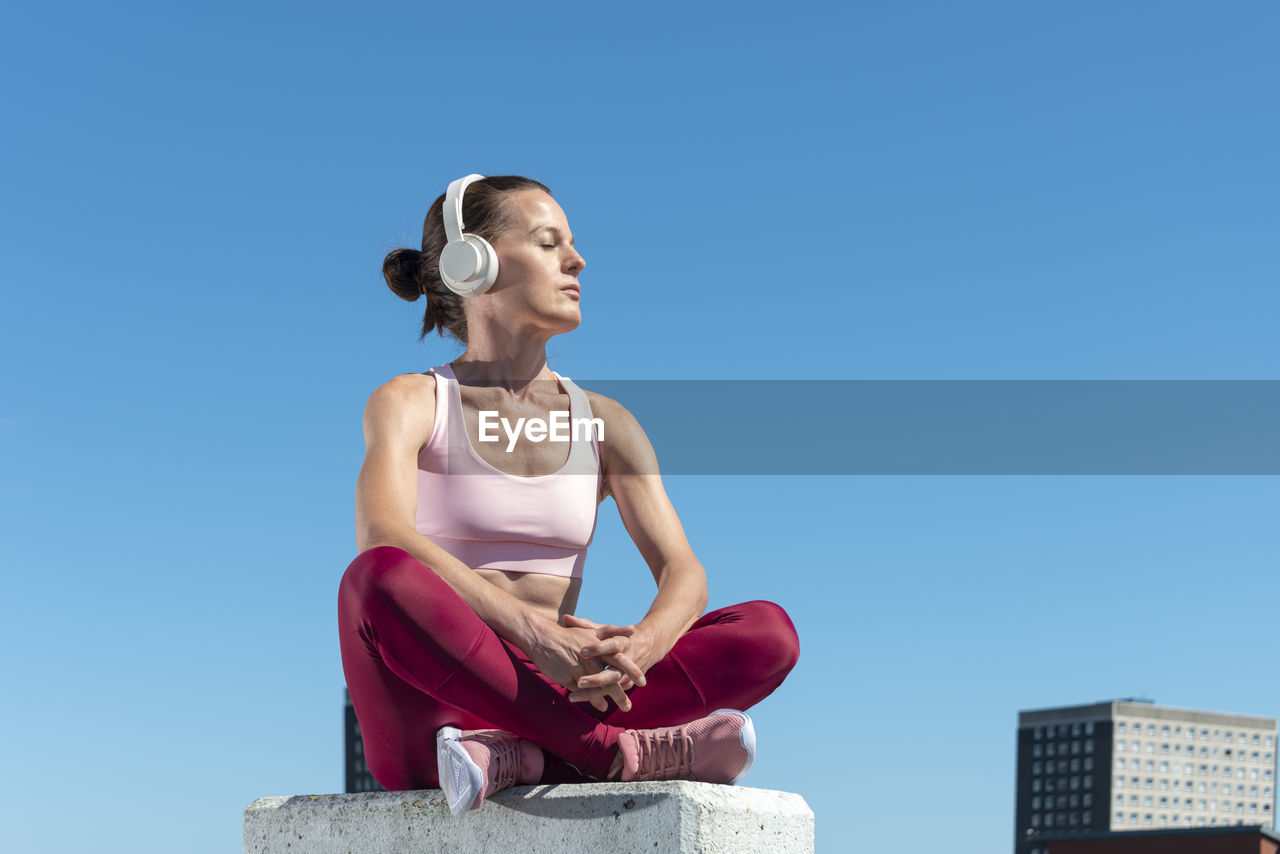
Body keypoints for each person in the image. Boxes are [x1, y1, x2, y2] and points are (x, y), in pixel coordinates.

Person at [337, 174, 800, 815]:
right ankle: (612, 753)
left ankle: (526, 753)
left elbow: (683, 572)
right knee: (377, 578)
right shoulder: (411, 402)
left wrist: (638, 648)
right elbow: (383, 533)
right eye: (549, 241)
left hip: (561, 690)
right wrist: (532, 632)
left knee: (768, 633)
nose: (577, 260)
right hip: (433, 718)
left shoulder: (607, 423)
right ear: (474, 264)